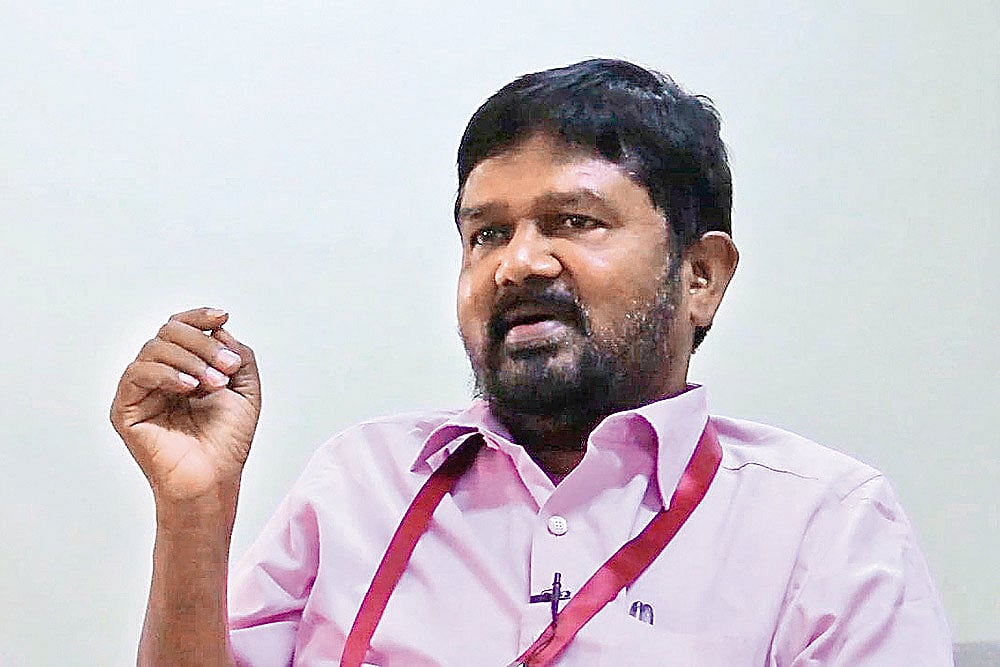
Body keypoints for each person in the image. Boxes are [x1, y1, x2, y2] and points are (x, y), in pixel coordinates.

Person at [111, 59, 953, 665]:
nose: (517, 263)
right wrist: (194, 512)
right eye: (487, 233)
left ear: (700, 276)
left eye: (573, 221)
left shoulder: (825, 525)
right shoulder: (359, 482)